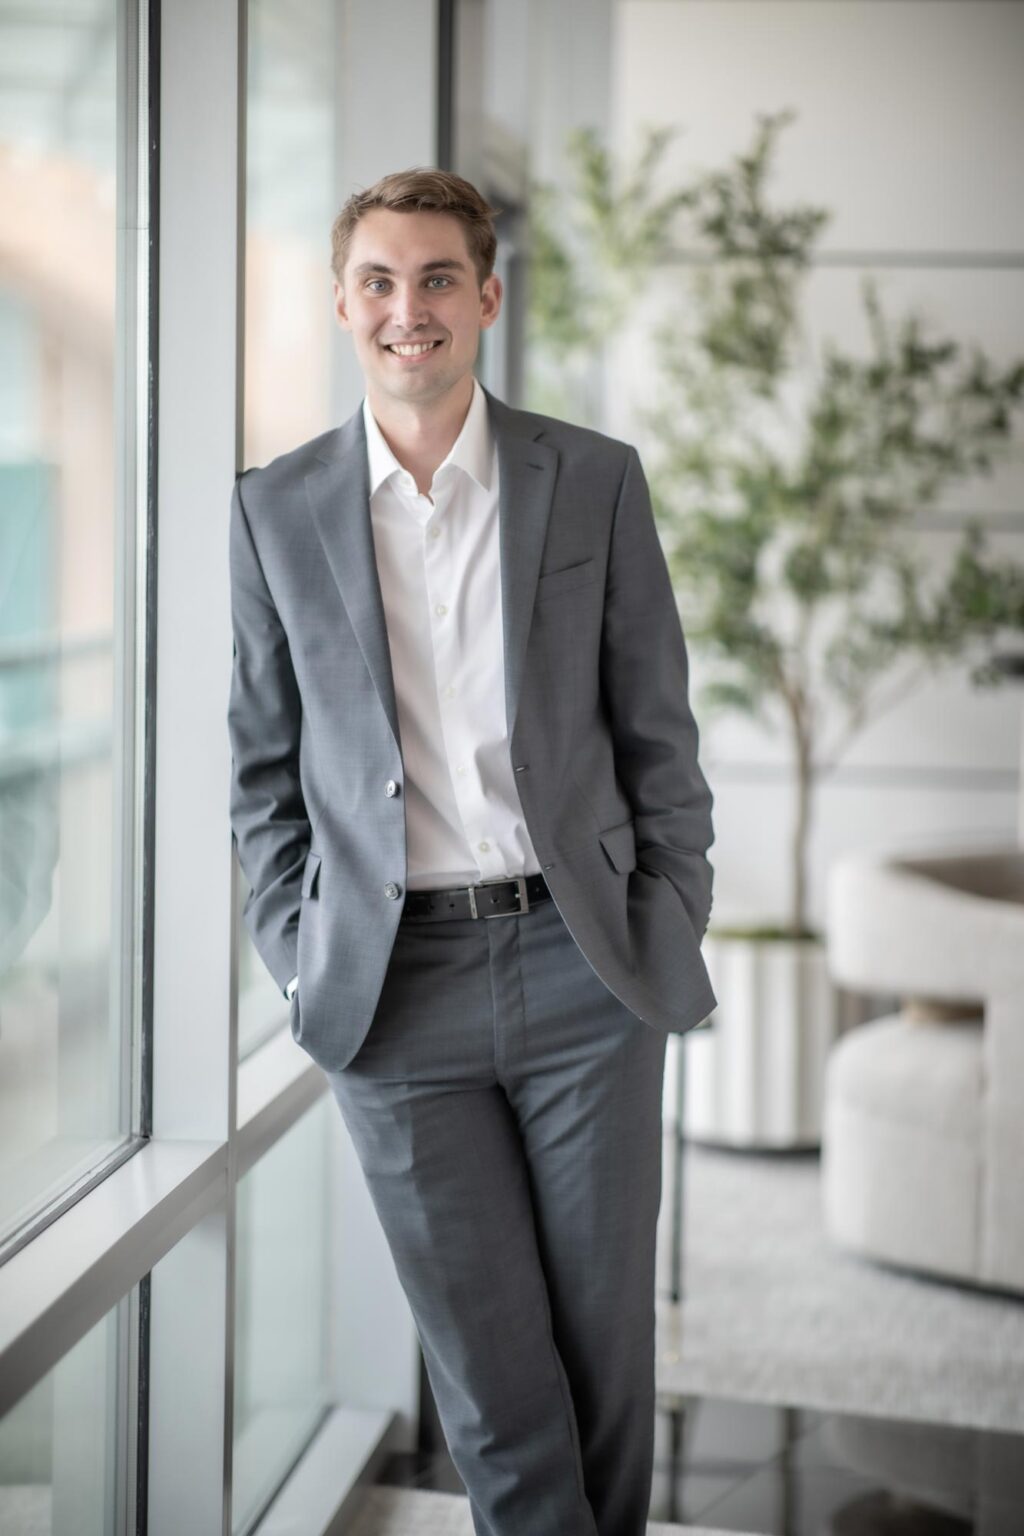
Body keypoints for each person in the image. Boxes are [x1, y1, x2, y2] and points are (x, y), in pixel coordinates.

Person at [227, 167, 716, 1536]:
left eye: (438, 277)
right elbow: (261, 774)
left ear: (487, 297)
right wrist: (299, 951)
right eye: (379, 281)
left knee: (603, 1358)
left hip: (584, 968)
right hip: (392, 995)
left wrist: (668, 912)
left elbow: (659, 731)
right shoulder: (274, 512)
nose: (410, 308)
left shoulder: (593, 480)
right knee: (494, 1381)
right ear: (341, 304)